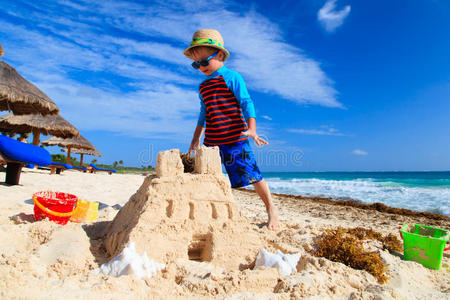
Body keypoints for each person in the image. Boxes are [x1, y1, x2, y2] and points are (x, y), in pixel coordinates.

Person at [185, 29, 280, 231]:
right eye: (196, 64)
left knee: (252, 174)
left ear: (219, 55)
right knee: (208, 176)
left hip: (235, 137)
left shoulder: (232, 77)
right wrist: (195, 139)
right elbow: (204, 114)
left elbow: (246, 102)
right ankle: (210, 212)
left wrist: (252, 129)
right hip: (211, 139)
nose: (201, 68)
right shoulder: (202, 86)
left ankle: (271, 208)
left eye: (204, 62)